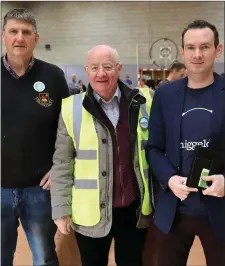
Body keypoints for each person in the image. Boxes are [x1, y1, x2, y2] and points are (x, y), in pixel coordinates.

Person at [50, 45, 153, 266]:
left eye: (107, 66)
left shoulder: (143, 101)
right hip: (90, 213)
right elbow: (62, 163)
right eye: (94, 67)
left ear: (118, 69)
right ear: (86, 72)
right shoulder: (71, 108)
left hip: (133, 211)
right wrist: (60, 209)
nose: (101, 73)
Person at [145, 20, 225, 266]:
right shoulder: (165, 94)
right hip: (175, 211)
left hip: (219, 210)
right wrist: (169, 178)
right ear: (182, 52)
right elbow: (154, 148)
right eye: (191, 47)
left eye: (205, 47)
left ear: (218, 50)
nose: (197, 54)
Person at [1, 8, 69, 266]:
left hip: (40, 190)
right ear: (3, 36)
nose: (20, 38)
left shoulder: (53, 76)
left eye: (26, 32)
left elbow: (68, 129)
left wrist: (59, 167)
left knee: (44, 258)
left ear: (36, 38)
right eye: (13, 31)